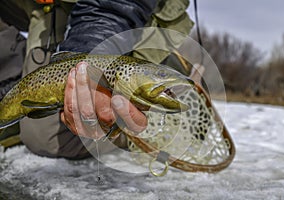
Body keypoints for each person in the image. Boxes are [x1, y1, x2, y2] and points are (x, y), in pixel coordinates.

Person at [0, 0, 193, 159]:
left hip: (120, 9)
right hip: (46, 6)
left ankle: (164, 66)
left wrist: (90, 56)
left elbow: (113, 7)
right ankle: (11, 81)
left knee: (45, 139)